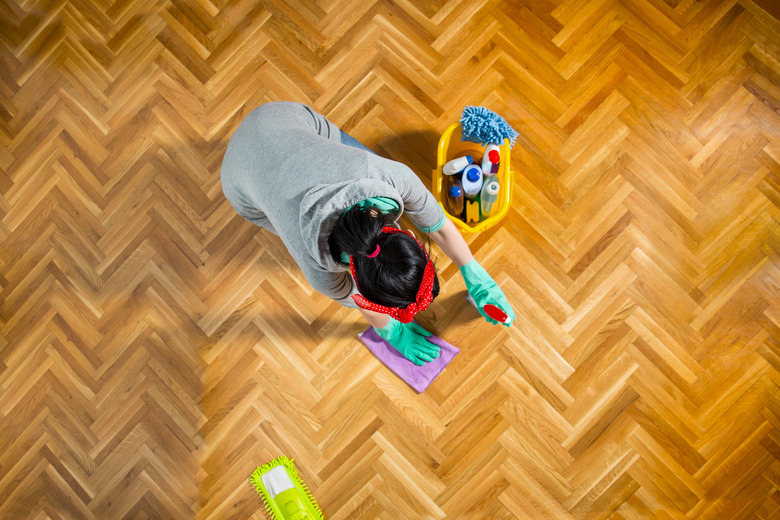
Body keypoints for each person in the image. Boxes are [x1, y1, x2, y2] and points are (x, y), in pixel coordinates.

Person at [220, 101, 515, 365]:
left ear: (409, 238)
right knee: (279, 213)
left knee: (350, 155)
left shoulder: (388, 176)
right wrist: (391, 332)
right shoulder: (317, 268)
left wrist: (473, 271)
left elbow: (437, 225)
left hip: (282, 118)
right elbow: (360, 300)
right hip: (240, 181)